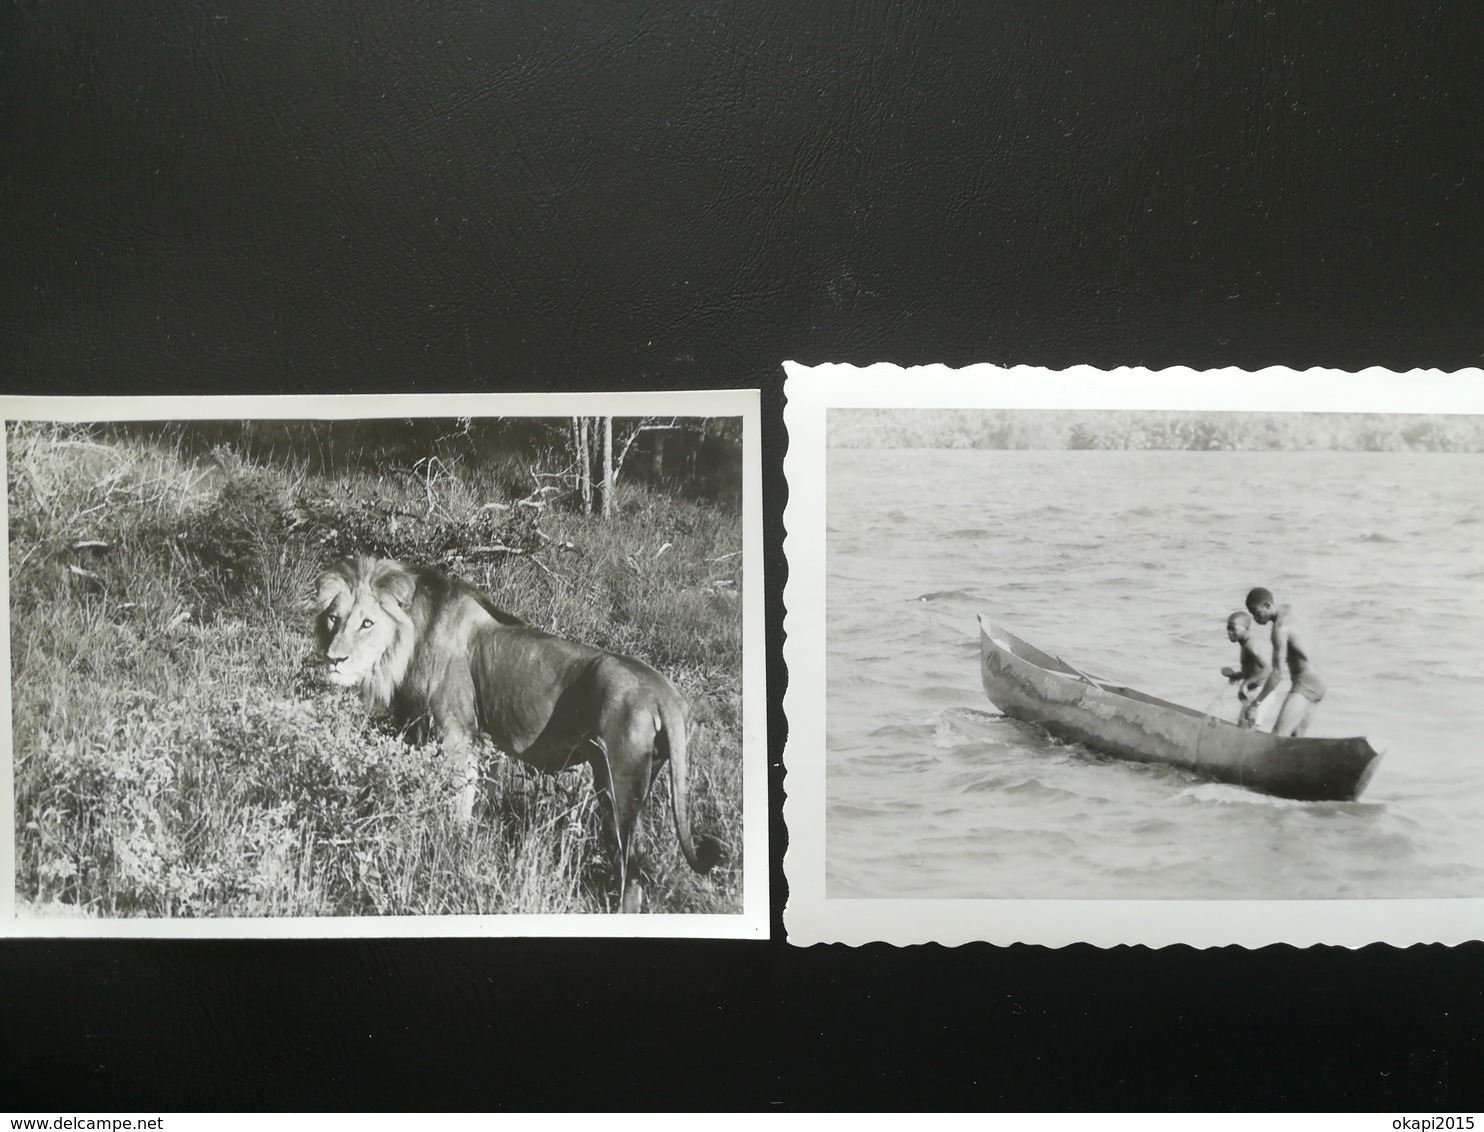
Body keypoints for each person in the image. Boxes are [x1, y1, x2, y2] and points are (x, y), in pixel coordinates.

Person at [1244, 586, 1326, 737]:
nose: (1255, 619)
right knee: (1295, 741)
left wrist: (1255, 705)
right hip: (1320, 683)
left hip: (1305, 685)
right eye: (1252, 615)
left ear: (1268, 605)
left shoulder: (1279, 628)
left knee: (1277, 736)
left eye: (1257, 613)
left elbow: (1277, 674)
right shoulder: (1293, 611)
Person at [1220, 611, 1270, 729]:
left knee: (1245, 732)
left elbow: (1268, 669)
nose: (1229, 632)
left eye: (1232, 628)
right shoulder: (1245, 644)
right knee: (1243, 729)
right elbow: (1255, 670)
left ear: (1245, 628)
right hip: (1254, 691)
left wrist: (1245, 684)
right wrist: (1238, 675)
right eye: (1227, 628)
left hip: (1260, 692)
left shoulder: (1250, 645)